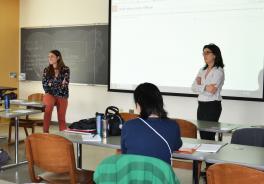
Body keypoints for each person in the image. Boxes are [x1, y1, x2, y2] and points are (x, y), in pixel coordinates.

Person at [121, 82, 182, 165]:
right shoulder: (173, 125)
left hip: (134, 176)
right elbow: (176, 146)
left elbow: (125, 152)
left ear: (138, 105)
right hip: (160, 177)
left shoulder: (128, 126)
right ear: (160, 103)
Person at [192, 43, 225, 140]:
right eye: (203, 53)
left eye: (207, 53)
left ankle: (211, 154)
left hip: (212, 106)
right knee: (202, 135)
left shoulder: (219, 71)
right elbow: (193, 87)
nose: (204, 55)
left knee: (209, 136)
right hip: (201, 106)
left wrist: (201, 86)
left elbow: (212, 92)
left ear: (214, 55)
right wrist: (206, 87)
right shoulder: (202, 70)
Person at [42, 50, 70, 133]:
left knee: (61, 117)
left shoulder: (65, 69)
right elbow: (45, 85)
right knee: (48, 110)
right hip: (49, 94)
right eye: (49, 56)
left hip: (62, 94)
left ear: (58, 57)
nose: (49, 58)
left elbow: (64, 84)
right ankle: (45, 132)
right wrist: (58, 83)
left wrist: (51, 83)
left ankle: (63, 133)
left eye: (52, 56)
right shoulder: (46, 70)